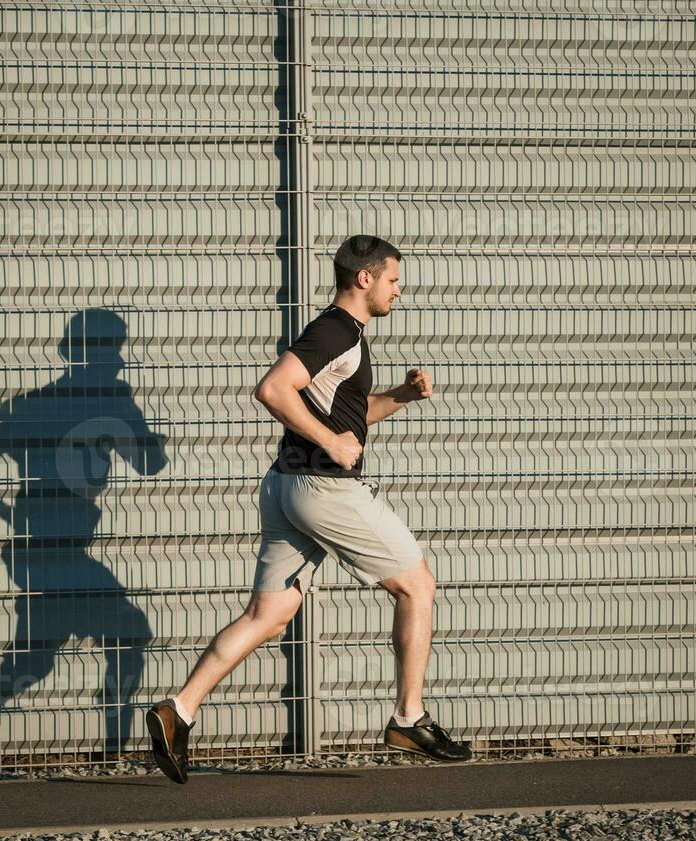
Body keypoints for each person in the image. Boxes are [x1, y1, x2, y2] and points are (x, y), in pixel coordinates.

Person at [144, 235, 471, 783]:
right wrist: (335, 444)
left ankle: (178, 711)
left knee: (267, 616)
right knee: (418, 586)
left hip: (286, 486)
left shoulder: (345, 339)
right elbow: (274, 388)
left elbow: (352, 410)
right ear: (363, 279)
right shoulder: (335, 331)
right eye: (393, 279)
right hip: (324, 488)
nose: (399, 290)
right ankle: (409, 717)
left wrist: (402, 396)